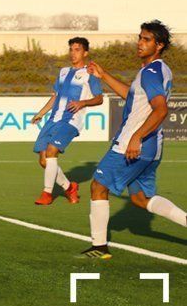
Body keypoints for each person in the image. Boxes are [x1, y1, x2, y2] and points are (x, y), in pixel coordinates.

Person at [82, 20, 186, 259]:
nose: (140, 43)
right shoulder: (159, 70)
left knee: (98, 186)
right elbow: (132, 98)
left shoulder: (150, 72)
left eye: (147, 39)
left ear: (159, 45)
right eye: (140, 37)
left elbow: (160, 110)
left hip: (132, 144)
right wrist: (104, 75)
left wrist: (136, 138)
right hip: (152, 148)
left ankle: (99, 248)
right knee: (141, 198)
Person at [29, 37, 103, 205]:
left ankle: (47, 194)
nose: (73, 53)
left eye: (77, 50)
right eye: (71, 49)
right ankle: (69, 187)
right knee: (44, 161)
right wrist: (41, 113)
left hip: (71, 120)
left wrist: (82, 103)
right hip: (53, 119)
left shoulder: (89, 74)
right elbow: (55, 97)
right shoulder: (63, 71)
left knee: (51, 152)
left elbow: (99, 99)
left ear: (85, 52)